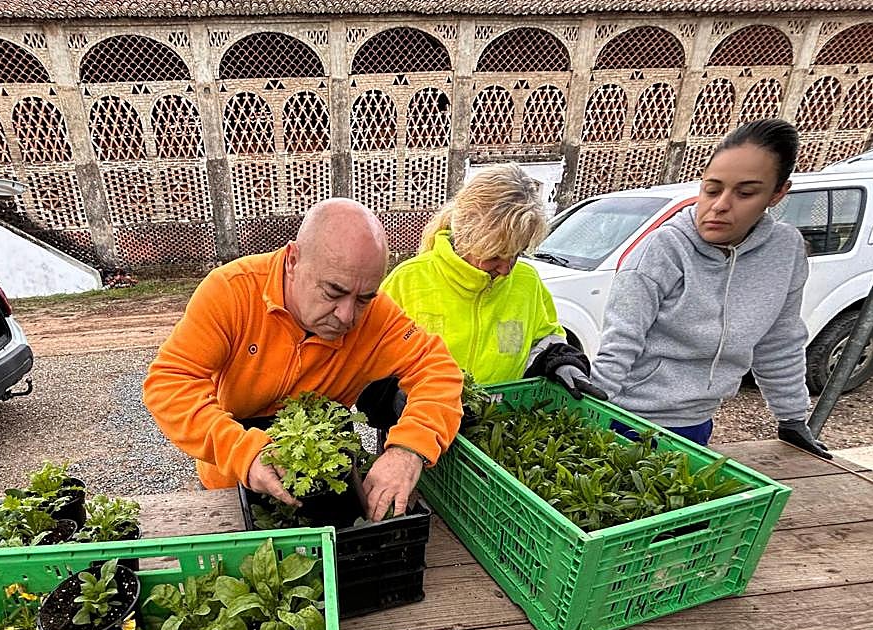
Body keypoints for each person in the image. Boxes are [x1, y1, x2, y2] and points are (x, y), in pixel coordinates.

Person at [143, 198, 465, 522]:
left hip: (326, 487)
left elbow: (438, 371)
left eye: (364, 298)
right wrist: (242, 452)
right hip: (231, 483)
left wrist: (409, 449)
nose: (347, 315)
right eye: (333, 292)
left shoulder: (375, 317)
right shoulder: (232, 292)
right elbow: (170, 383)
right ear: (293, 260)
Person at [590, 119, 830, 458]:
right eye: (712, 189)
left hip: (696, 422)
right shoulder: (663, 249)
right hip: (626, 419)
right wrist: (584, 413)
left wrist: (792, 417)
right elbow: (620, 342)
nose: (720, 206)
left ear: (777, 194)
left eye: (745, 193)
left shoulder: (785, 249)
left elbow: (780, 340)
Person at [376, 162, 605, 394]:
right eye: (496, 255)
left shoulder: (527, 282)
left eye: (516, 253)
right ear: (467, 235)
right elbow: (371, 366)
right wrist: (394, 401)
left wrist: (562, 362)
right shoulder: (407, 281)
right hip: (419, 425)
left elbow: (544, 340)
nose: (506, 269)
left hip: (497, 422)